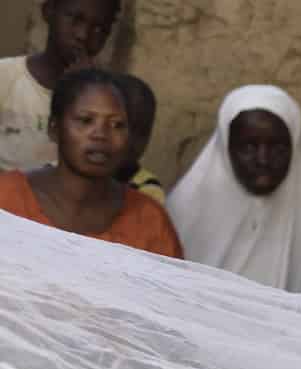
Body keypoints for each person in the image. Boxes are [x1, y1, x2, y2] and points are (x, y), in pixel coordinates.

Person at [167, 86, 301, 300]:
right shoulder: (182, 214)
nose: (263, 160)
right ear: (225, 148)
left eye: (278, 149)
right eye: (248, 147)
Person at [0, 68, 180, 257]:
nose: (101, 135)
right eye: (86, 120)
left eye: (117, 124)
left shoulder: (150, 223)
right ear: (54, 128)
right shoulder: (7, 199)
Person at [0, 0, 117, 172]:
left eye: (99, 29)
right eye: (76, 19)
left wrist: (82, 91)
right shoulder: (6, 76)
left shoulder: (107, 100)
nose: (83, 35)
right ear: (48, 11)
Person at [110, 73, 162, 204]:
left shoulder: (148, 189)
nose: (131, 141)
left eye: (142, 132)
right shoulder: (65, 173)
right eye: (120, 126)